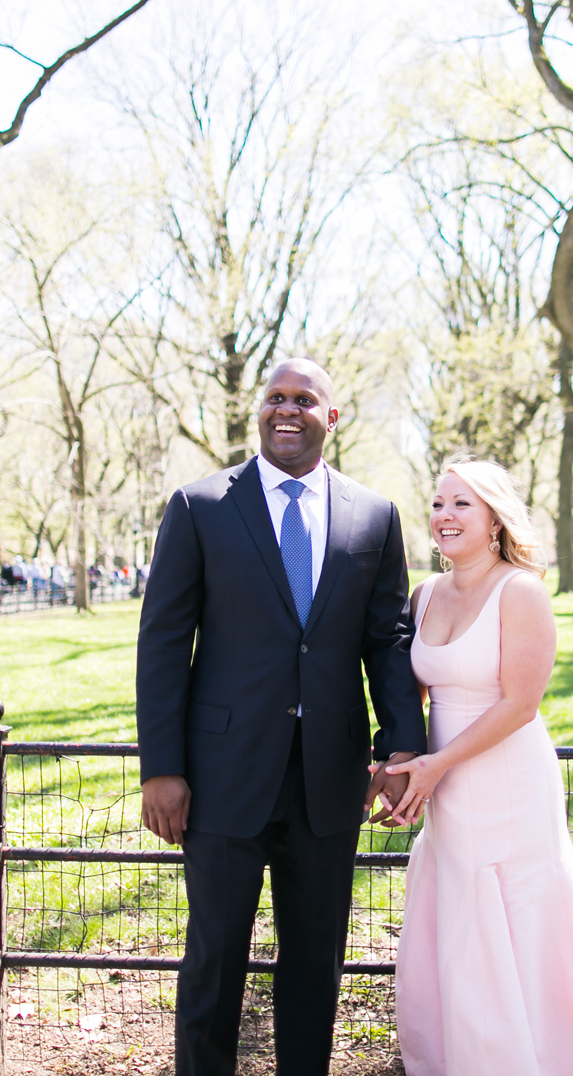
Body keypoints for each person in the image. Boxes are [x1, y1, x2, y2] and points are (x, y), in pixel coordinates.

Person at [136, 358, 425, 1076]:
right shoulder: (200, 506)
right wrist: (162, 768)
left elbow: (386, 641)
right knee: (214, 960)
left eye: (304, 399)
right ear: (258, 411)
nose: (286, 410)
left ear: (333, 417)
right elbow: (164, 641)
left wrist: (400, 751)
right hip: (222, 780)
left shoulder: (375, 516)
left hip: (328, 782)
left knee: (313, 966)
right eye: (274, 398)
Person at [383, 457, 573, 1076]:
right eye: (438, 503)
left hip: (506, 779)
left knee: (520, 922)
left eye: (462, 505)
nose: (444, 516)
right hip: (442, 788)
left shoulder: (521, 590)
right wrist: (400, 765)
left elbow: (520, 704)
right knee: (458, 921)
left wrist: (438, 764)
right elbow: (419, 695)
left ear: (495, 519)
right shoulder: (425, 595)